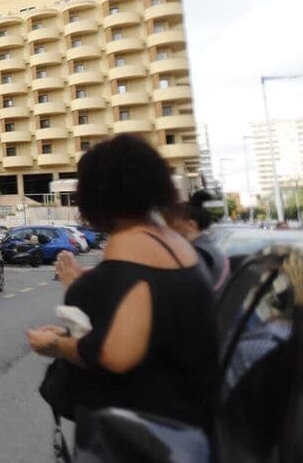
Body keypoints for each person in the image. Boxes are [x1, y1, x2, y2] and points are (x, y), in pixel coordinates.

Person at [26, 134, 218, 437]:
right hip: (189, 420)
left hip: (147, 435)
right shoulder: (171, 242)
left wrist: (56, 345)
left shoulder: (128, 245)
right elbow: (151, 331)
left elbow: (116, 355)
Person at [166, 190, 230, 293]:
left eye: (173, 226)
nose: (169, 230)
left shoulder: (197, 254)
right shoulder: (210, 247)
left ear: (191, 225)